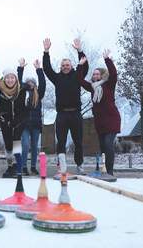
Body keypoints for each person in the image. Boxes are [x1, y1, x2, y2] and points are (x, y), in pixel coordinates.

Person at [42, 38, 88, 174]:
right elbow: (47, 69)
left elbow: (85, 66)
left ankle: (79, 165)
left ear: (71, 66)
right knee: (60, 141)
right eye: (63, 65)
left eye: (67, 65)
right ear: (61, 67)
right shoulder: (57, 78)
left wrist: (80, 51)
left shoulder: (77, 76)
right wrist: (46, 51)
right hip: (62, 114)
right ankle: (61, 166)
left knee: (78, 141)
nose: (65, 67)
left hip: (75, 114)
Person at [77, 48, 121, 178]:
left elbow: (113, 74)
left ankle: (110, 172)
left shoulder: (109, 85)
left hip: (112, 120)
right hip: (100, 122)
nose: (95, 76)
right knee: (102, 147)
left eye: (97, 74)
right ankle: (103, 169)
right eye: (94, 74)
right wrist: (80, 65)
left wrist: (107, 60)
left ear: (102, 75)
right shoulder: (92, 88)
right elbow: (79, 80)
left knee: (108, 144)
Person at [0, 61, 27, 178]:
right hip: (5, 121)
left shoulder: (21, 90)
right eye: (7, 77)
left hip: (18, 121)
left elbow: (24, 110)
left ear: (16, 79)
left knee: (16, 142)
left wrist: (17, 121)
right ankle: (10, 166)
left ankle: (18, 167)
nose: (10, 80)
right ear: (4, 79)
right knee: (8, 145)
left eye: (12, 77)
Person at [18, 58, 46, 176]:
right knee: (25, 145)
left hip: (35, 124)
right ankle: (24, 166)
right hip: (24, 124)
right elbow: (18, 81)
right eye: (28, 82)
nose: (30, 83)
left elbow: (43, 83)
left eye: (32, 82)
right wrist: (21, 68)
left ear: (35, 84)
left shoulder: (38, 94)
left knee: (35, 146)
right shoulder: (22, 92)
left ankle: (33, 166)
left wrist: (39, 69)